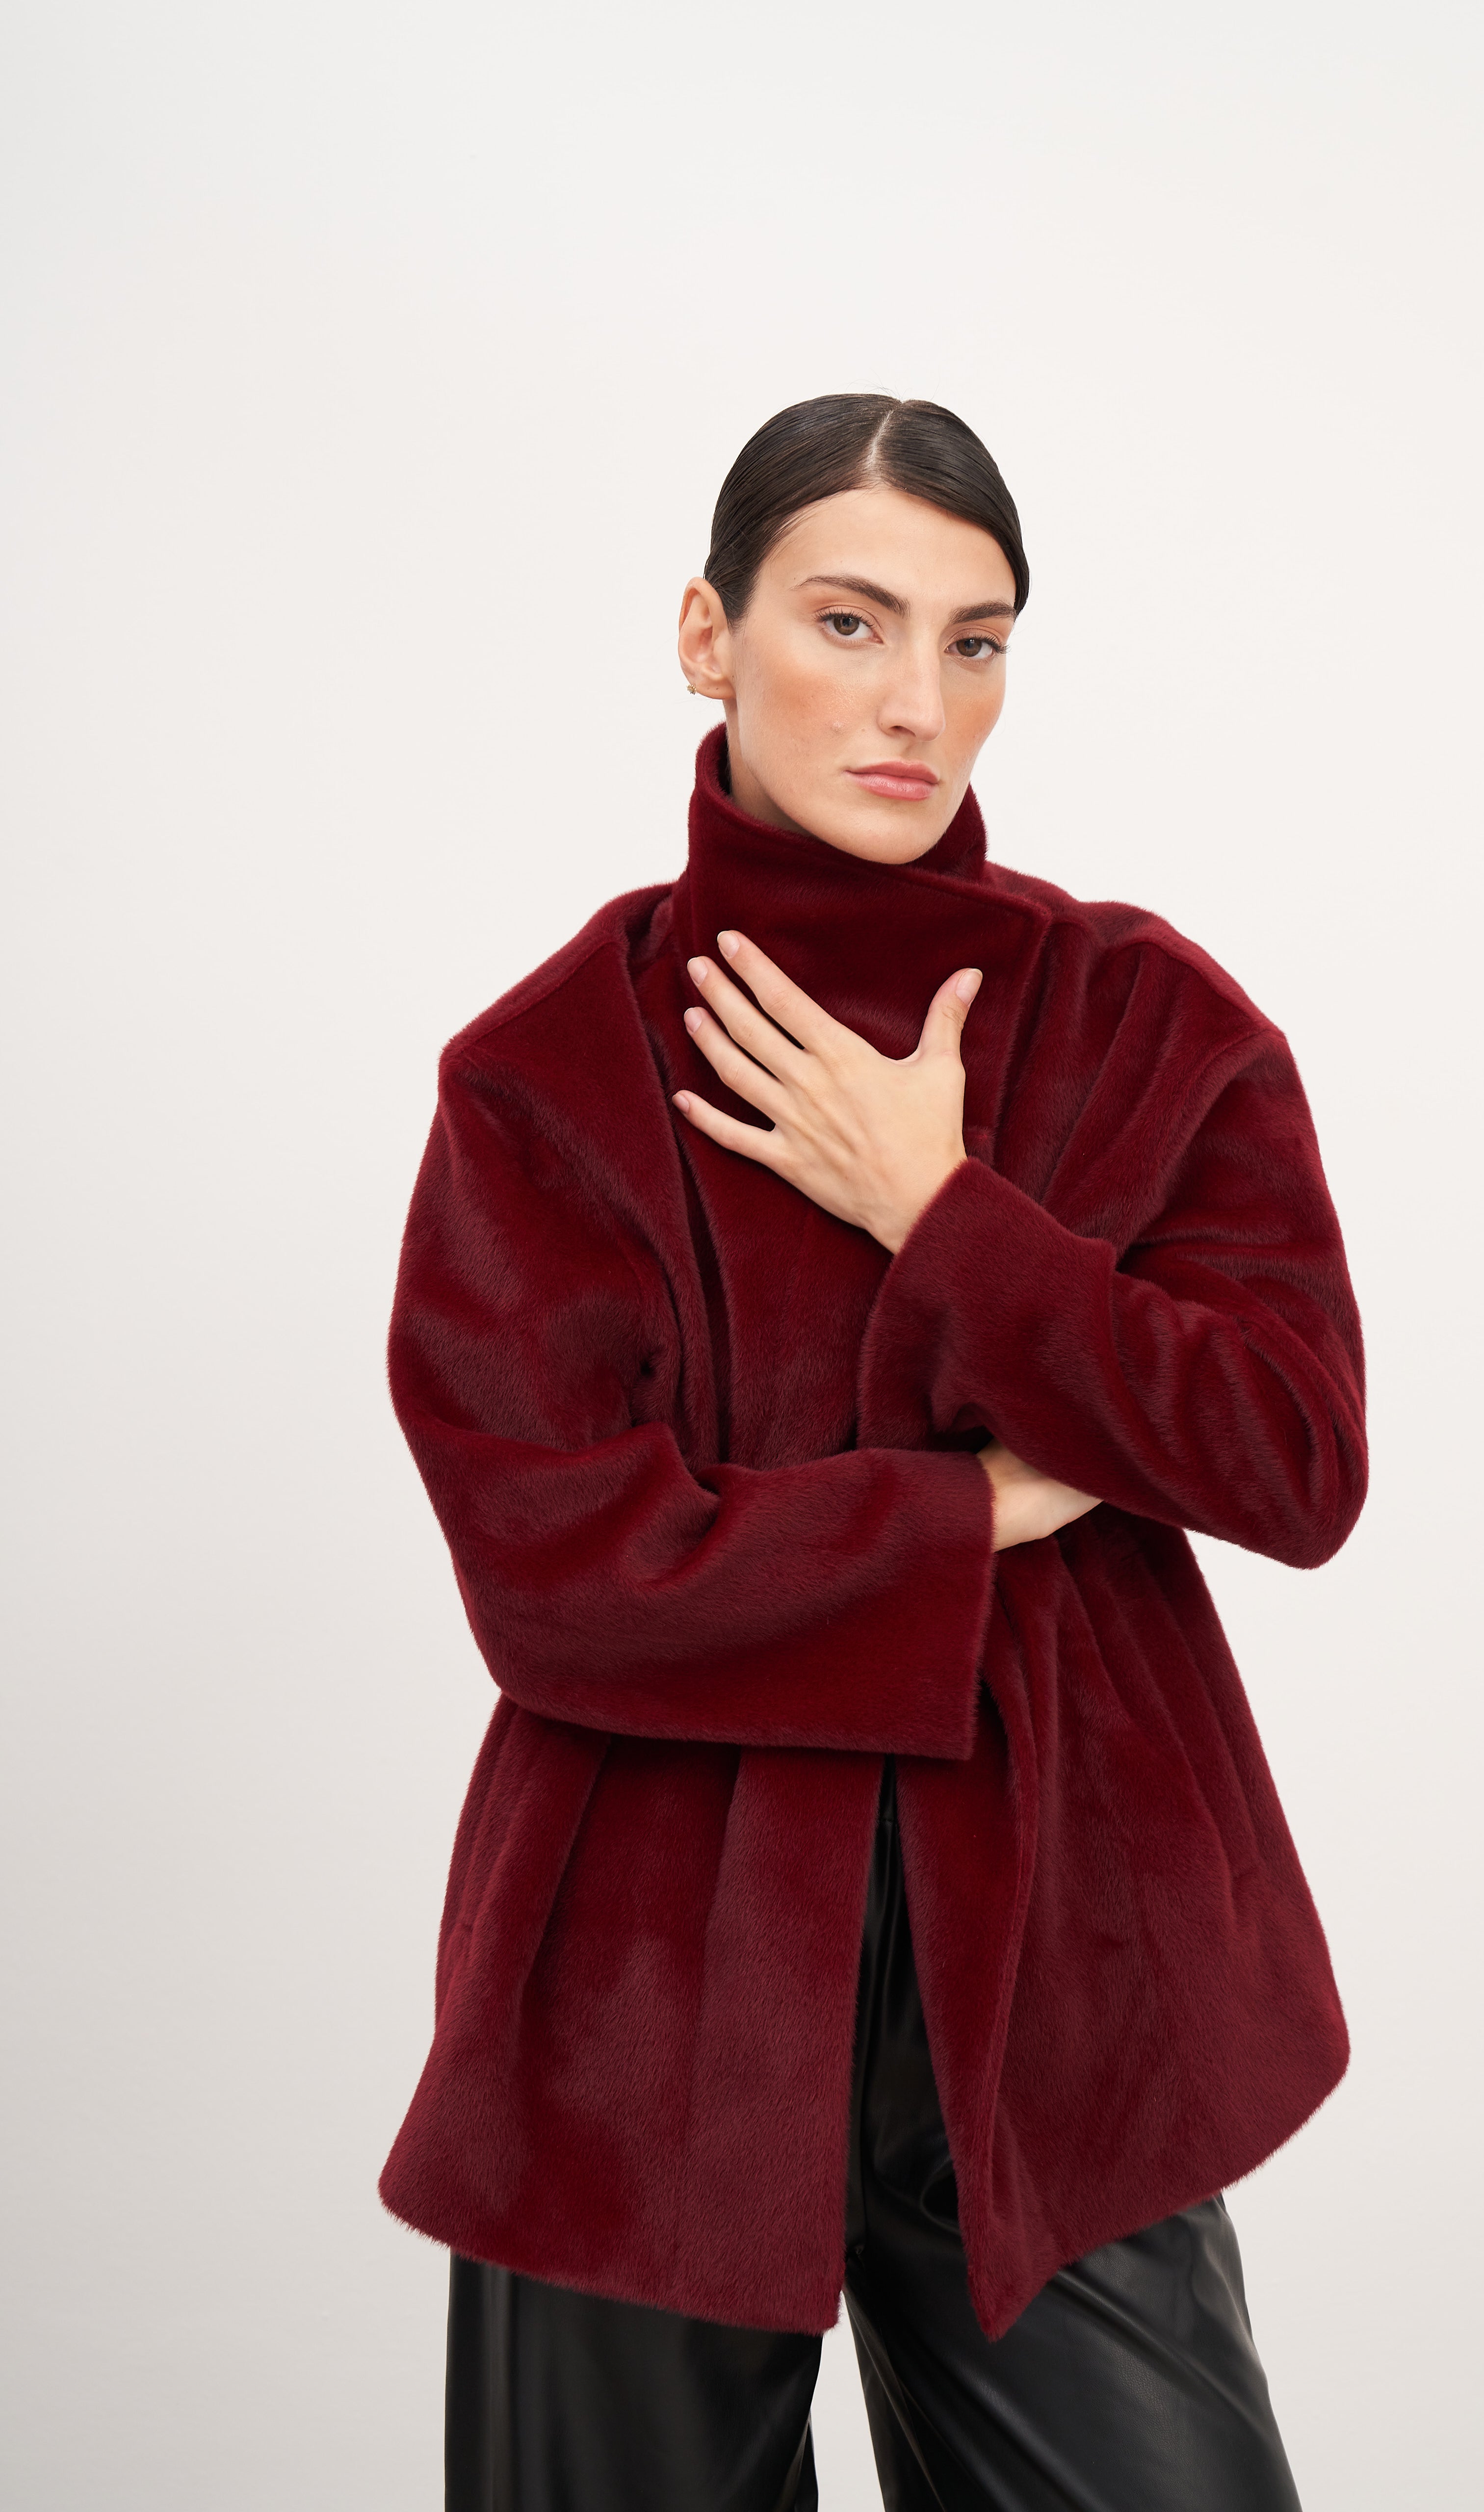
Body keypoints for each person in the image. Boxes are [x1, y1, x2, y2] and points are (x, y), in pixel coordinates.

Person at [381, 394, 1368, 2510]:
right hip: (640, 1991)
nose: (919, 701)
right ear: (706, 635)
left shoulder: (1143, 1024)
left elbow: (1291, 1456)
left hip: (1064, 1983)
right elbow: (558, 1574)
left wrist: (946, 1216)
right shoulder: (543, 1074)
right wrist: (975, 1509)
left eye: (974, 639)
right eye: (849, 621)